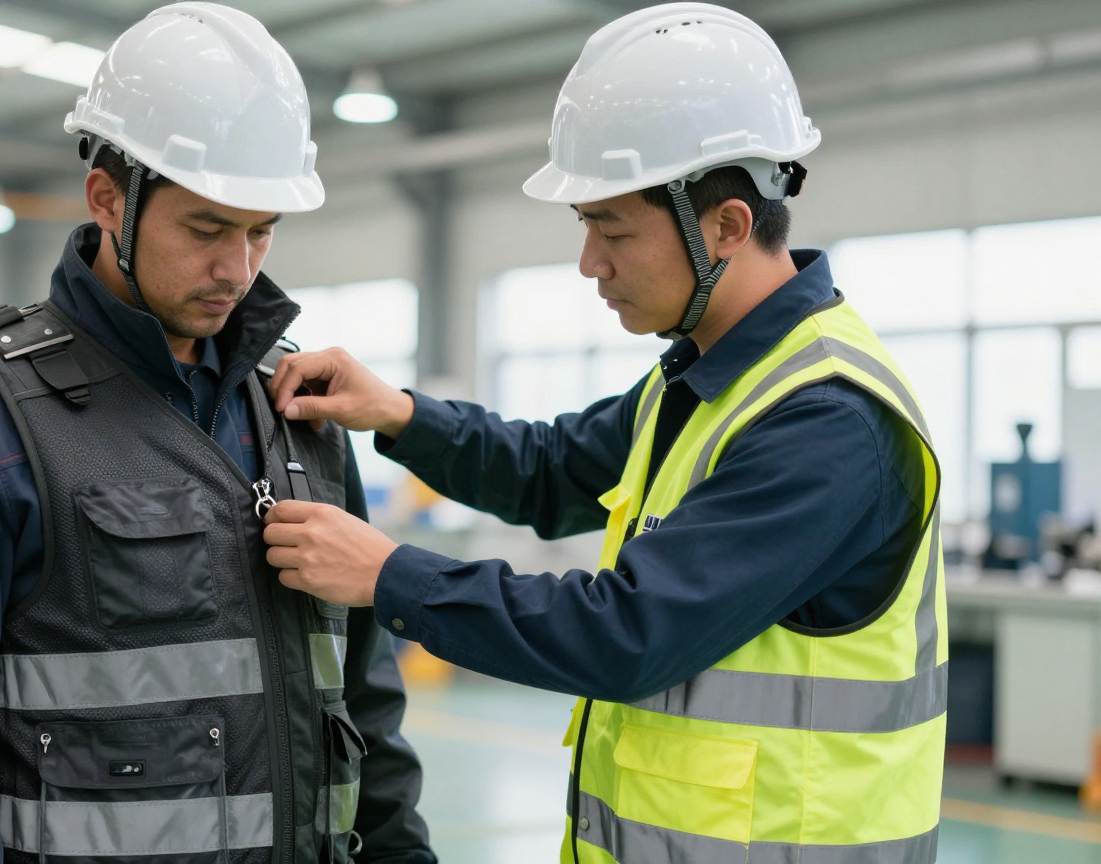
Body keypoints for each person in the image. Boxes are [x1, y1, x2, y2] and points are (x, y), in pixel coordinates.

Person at [261, 5, 945, 864]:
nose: (590, 262)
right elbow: (551, 470)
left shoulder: (826, 420)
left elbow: (629, 633)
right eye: (586, 225)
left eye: (612, 229)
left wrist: (389, 575)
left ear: (728, 226)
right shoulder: (701, 381)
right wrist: (399, 412)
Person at [0, 5, 433, 863]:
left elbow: (364, 708)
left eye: (261, 231)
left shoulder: (298, 413)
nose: (237, 268)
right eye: (206, 228)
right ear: (109, 199)